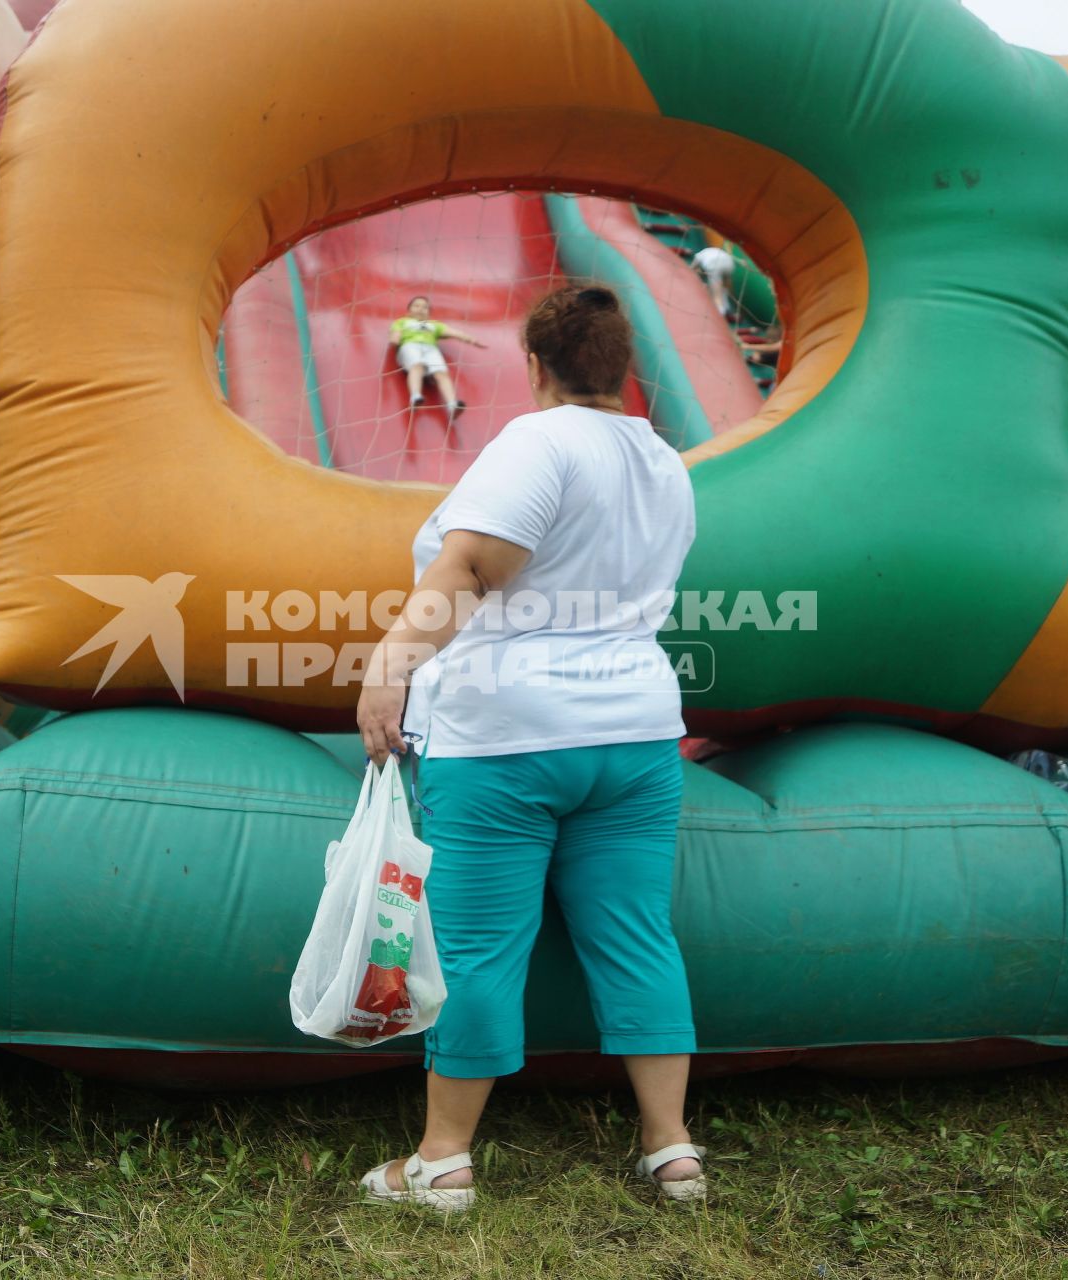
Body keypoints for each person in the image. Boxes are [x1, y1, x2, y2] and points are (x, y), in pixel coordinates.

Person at [354, 285, 703, 1215]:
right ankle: (671, 1149)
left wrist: (390, 664)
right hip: (633, 735)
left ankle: (442, 1159)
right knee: (636, 934)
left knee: (477, 951)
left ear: (537, 366)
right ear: (623, 366)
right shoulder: (664, 461)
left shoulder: (538, 442)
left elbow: (473, 566)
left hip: (508, 736)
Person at [390, 295, 484, 422]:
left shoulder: (434, 325)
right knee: (417, 366)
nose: (420, 309)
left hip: (430, 348)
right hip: (410, 345)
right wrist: (395, 339)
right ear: (409, 310)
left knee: (441, 373)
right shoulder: (402, 322)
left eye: (425, 307)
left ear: (429, 312)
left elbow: (455, 333)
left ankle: (452, 404)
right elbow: (396, 334)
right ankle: (415, 396)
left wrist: (473, 340)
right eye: (416, 306)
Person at [691, 244, 736, 319]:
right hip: (729, 262)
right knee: (725, 287)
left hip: (714, 264)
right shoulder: (709, 252)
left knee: (716, 293)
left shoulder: (699, 255)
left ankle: (721, 312)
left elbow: (692, 268)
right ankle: (727, 306)